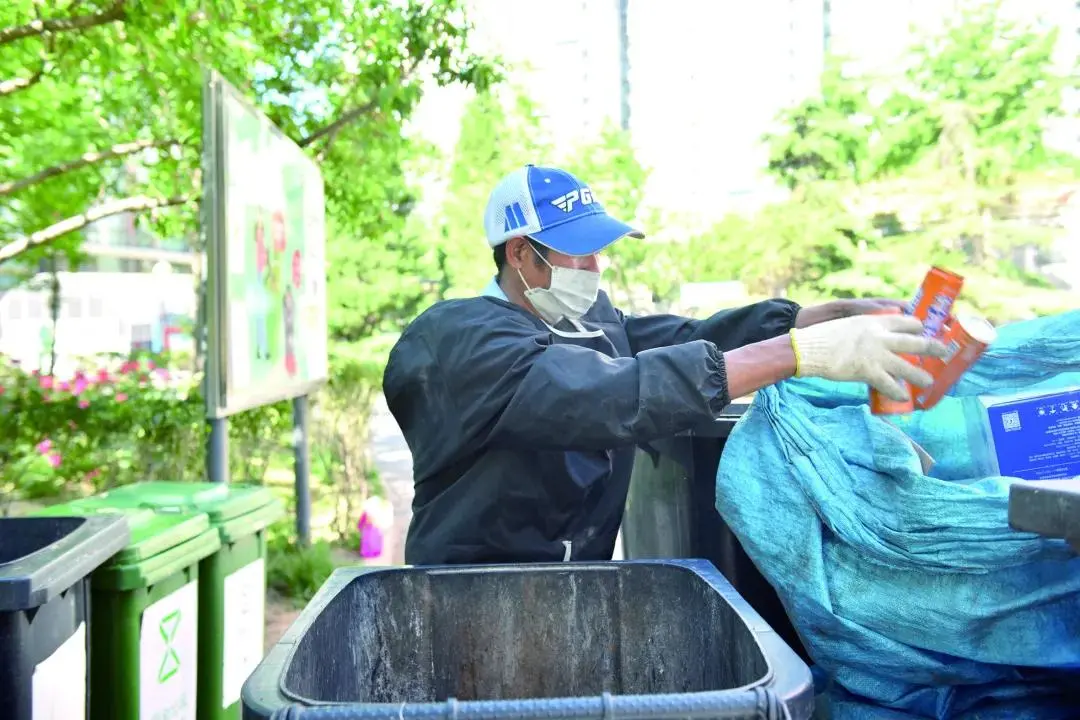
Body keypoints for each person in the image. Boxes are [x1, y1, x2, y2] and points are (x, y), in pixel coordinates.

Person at [383, 164, 948, 566]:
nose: (595, 267)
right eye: (578, 251)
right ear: (519, 253)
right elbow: (609, 394)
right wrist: (801, 355)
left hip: (570, 589)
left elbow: (684, 340)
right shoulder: (461, 339)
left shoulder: (588, 321)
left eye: (599, 250)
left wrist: (817, 318)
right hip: (467, 597)